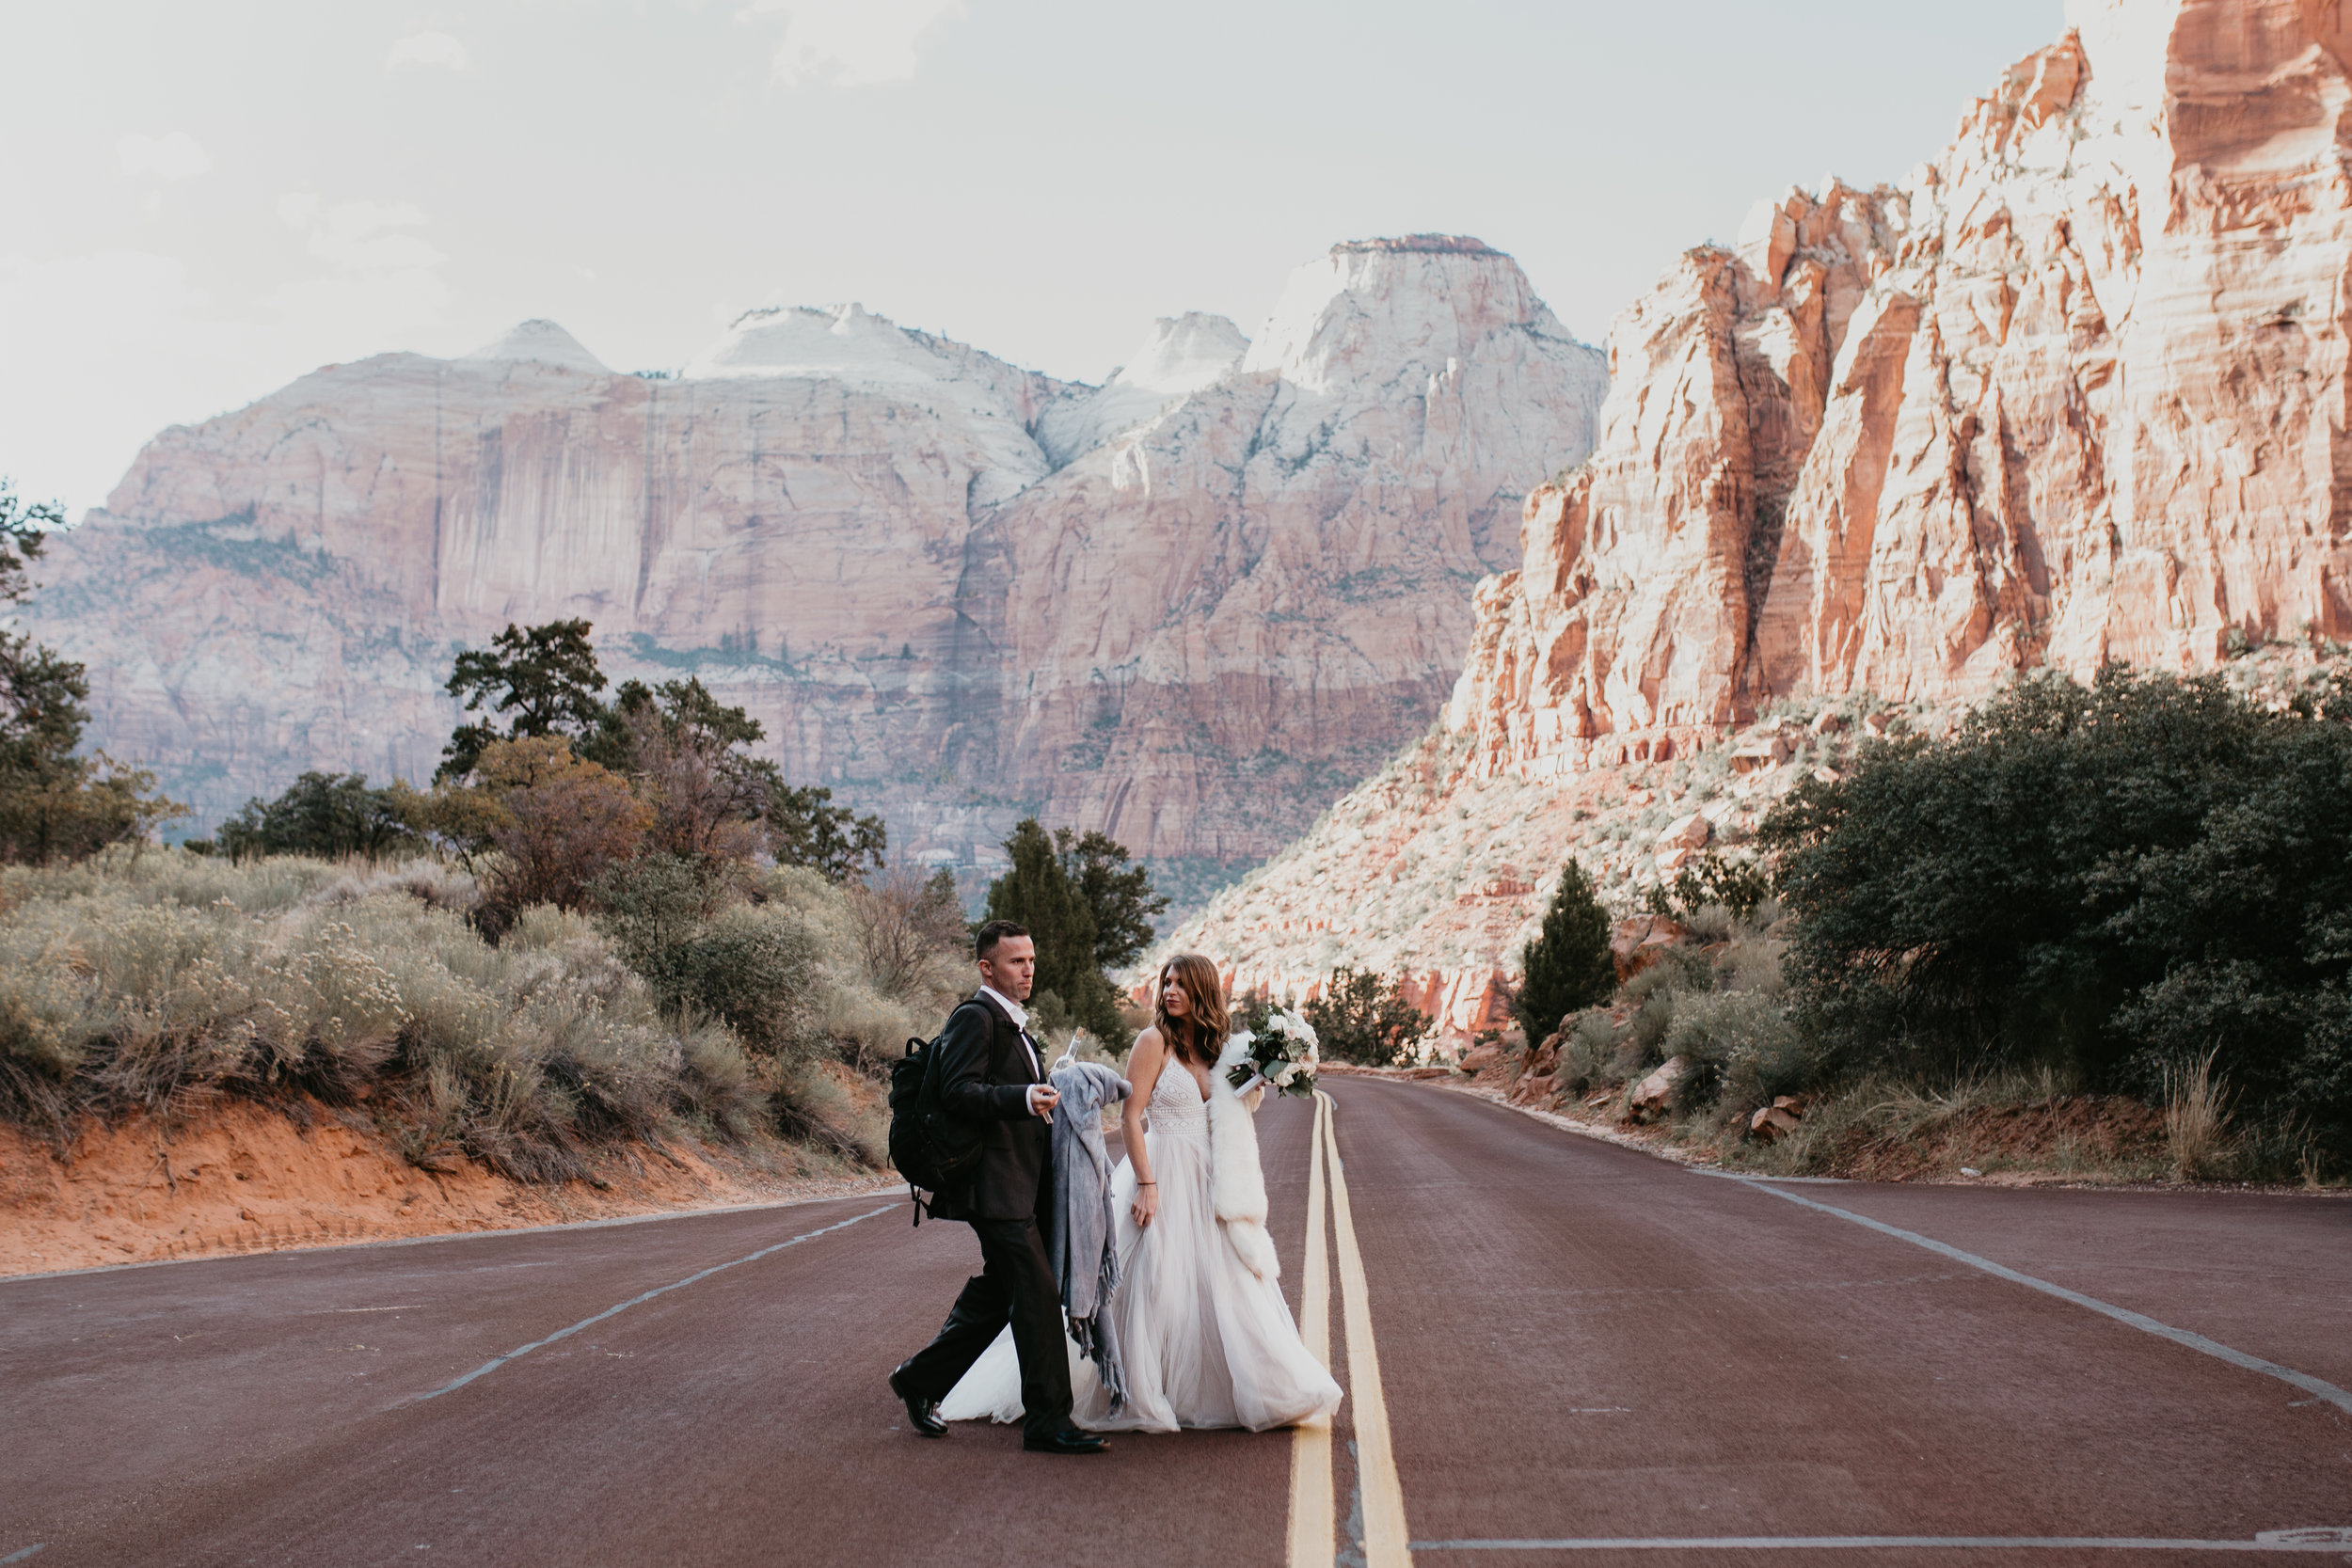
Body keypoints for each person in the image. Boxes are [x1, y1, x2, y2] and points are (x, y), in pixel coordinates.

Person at [939, 952, 1342, 1433]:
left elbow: (1228, 1118)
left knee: (1222, 1286)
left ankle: (1237, 1387)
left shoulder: (1223, 1052)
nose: (1170, 991)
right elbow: (1131, 1117)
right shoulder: (1153, 1042)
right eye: (1166, 982)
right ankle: (1125, 1388)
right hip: (1159, 1167)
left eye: (1182, 984)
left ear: (1203, 993)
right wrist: (1147, 1184)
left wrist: (1262, 1080)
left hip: (1208, 1178)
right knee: (1150, 1283)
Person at [888, 920, 1108, 1455]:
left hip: (1020, 1185)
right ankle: (1049, 1420)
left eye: (1031, 960)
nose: (1028, 969)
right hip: (993, 1187)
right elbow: (959, 1091)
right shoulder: (975, 1018)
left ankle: (919, 1379)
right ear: (987, 967)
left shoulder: (1013, 1025)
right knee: (1034, 1294)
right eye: (1016, 961)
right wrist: (1019, 1098)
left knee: (1001, 1293)